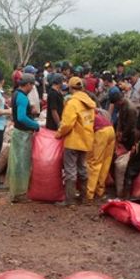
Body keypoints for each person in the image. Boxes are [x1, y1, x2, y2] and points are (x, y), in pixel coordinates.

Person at [55, 77, 96, 206]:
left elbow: (67, 124)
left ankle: (70, 200)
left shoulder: (72, 103)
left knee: (70, 170)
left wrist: (59, 134)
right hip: (86, 140)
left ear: (71, 88)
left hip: (73, 141)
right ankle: (84, 197)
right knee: (82, 168)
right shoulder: (89, 102)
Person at [7, 73, 40, 202]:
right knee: (22, 163)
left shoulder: (16, 93)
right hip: (23, 134)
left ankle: (16, 191)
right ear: (27, 84)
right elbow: (21, 117)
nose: (32, 88)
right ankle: (20, 194)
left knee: (17, 162)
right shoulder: (22, 98)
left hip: (17, 131)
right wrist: (35, 125)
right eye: (32, 85)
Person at [86, 100, 116, 201]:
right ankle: (100, 190)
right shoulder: (97, 112)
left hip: (101, 132)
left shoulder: (85, 114)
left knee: (94, 162)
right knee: (105, 162)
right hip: (111, 130)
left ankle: (89, 193)